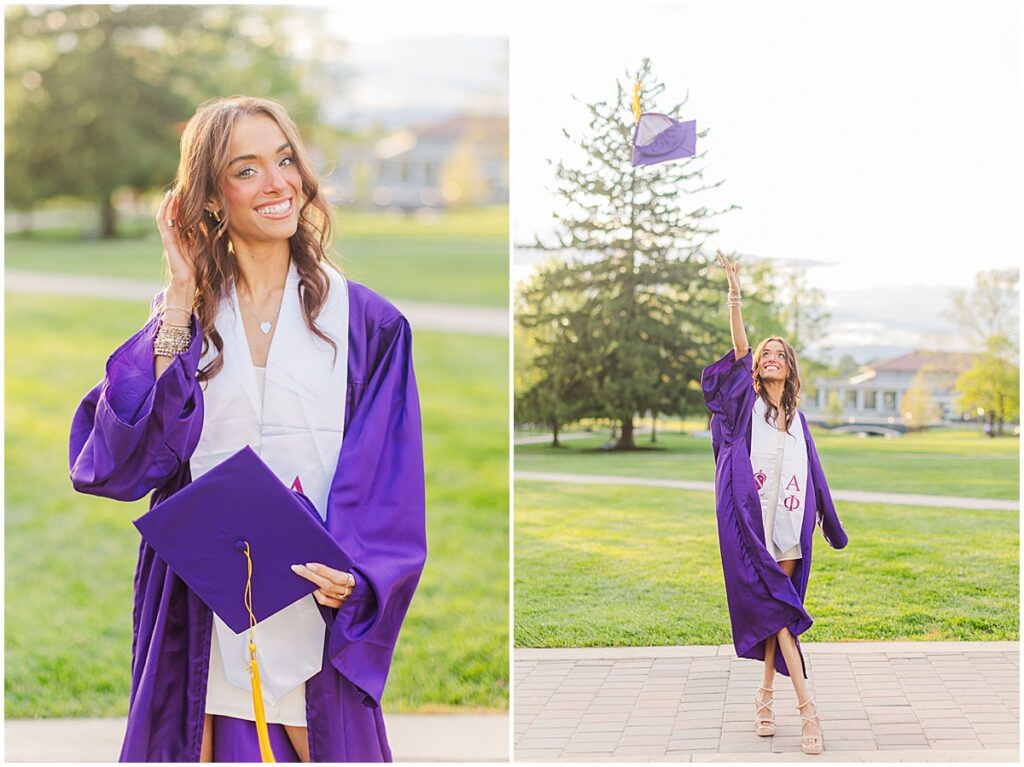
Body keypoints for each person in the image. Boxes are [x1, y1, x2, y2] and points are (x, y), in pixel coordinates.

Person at [68, 95, 426, 762]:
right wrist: (179, 295)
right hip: (200, 608)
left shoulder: (369, 327)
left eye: (285, 159)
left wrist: (360, 579)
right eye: (247, 169)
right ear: (209, 197)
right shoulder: (184, 322)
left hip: (317, 607)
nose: (278, 183)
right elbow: (118, 464)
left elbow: (389, 484)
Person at [701, 251, 848, 756]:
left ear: (789, 368)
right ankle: (809, 710)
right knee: (781, 613)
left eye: (777, 355)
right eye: (764, 355)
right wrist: (734, 293)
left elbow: (817, 477)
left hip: (788, 528)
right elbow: (738, 351)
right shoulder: (747, 408)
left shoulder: (800, 422)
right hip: (749, 527)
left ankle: (764, 699)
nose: (768, 359)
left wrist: (830, 522)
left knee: (776, 614)